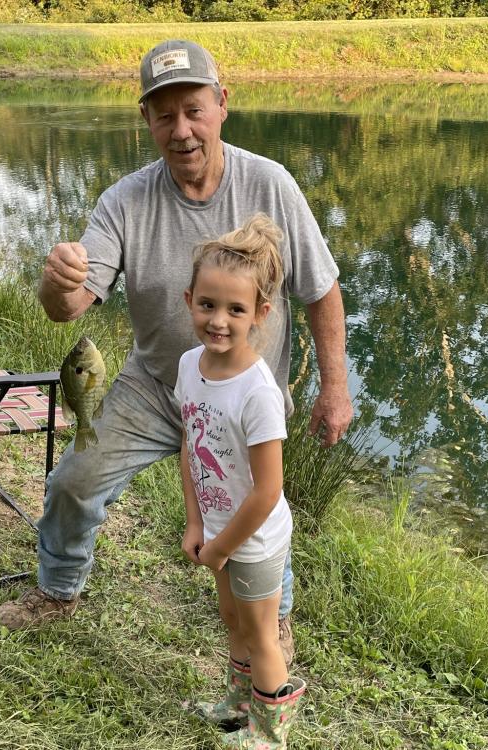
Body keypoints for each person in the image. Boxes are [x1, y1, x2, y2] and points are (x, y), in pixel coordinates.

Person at [0, 39, 354, 669]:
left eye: (193, 109)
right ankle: (57, 590)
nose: (181, 130)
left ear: (222, 104)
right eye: (164, 115)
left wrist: (334, 388)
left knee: (258, 507)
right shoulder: (123, 201)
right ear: (147, 121)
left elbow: (323, 292)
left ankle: (276, 623)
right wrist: (57, 283)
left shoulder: (271, 184)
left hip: (245, 396)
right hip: (158, 383)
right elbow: (71, 306)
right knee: (74, 481)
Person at [177, 213, 306, 747]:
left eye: (236, 308)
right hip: (219, 531)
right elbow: (190, 446)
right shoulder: (189, 366)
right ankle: (238, 702)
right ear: (189, 301)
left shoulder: (258, 392)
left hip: (253, 537)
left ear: (261, 313)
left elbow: (267, 490)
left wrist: (224, 545)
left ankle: (270, 734)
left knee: (261, 634)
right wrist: (196, 524)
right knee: (231, 619)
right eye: (208, 305)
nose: (219, 320)